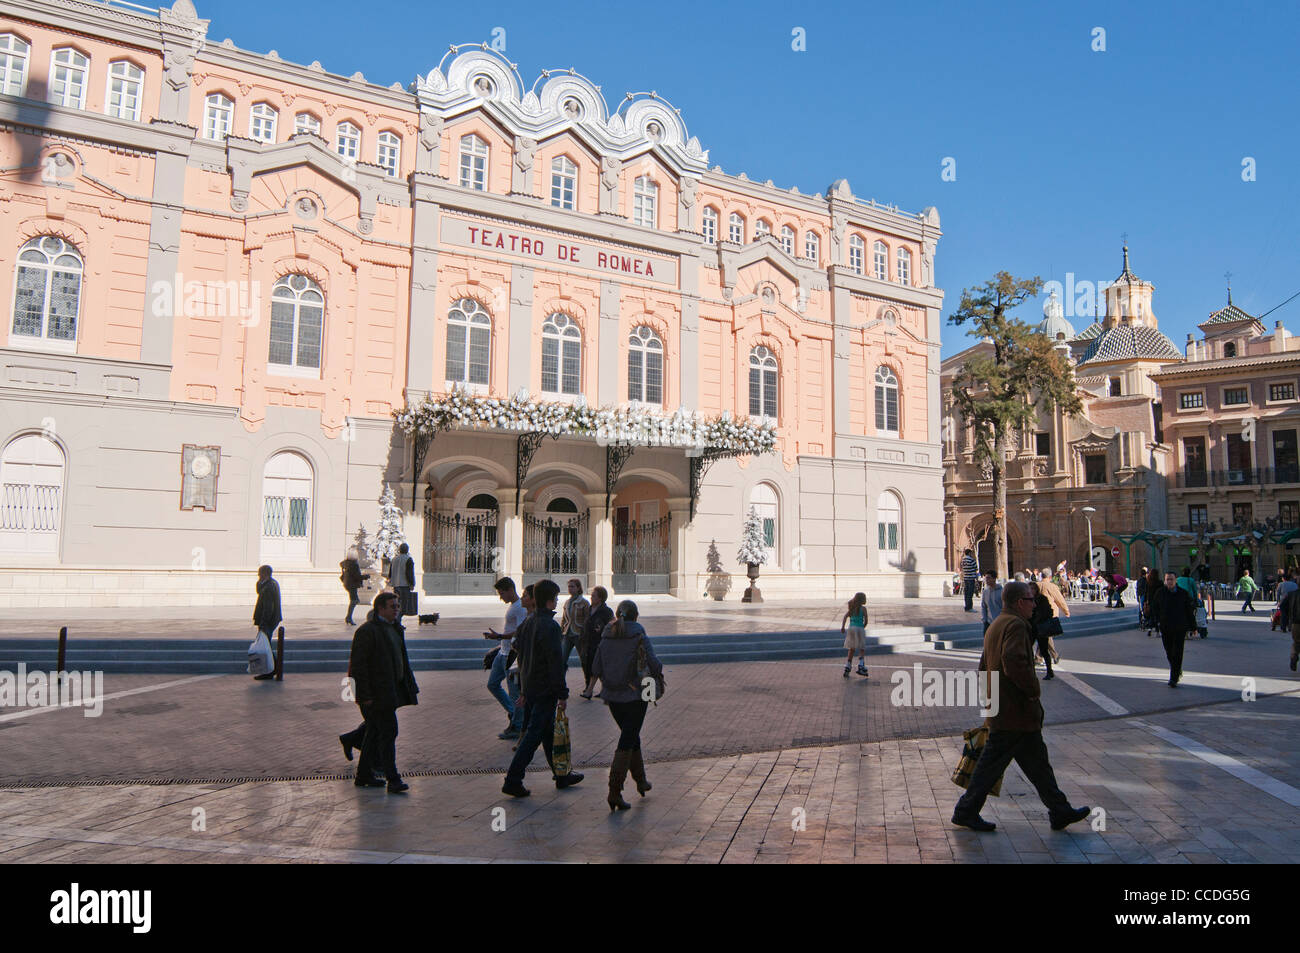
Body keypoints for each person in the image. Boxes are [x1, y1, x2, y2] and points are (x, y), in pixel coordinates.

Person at [951, 581, 1090, 833]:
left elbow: (983, 666)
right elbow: (1013, 662)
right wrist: (1033, 691)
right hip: (1015, 712)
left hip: (1006, 710)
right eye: (1030, 600)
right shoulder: (1015, 625)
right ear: (1018, 603)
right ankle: (965, 811)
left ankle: (1059, 810)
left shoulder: (996, 624)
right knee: (991, 766)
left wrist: (989, 701)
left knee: (1038, 766)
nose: (1034, 604)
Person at [502, 579, 584, 797]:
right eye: (556, 598)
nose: (557, 601)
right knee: (534, 735)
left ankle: (561, 775)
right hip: (544, 688)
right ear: (549, 601)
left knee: (547, 734)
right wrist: (562, 693)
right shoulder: (549, 626)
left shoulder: (528, 623)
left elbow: (518, 649)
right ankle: (513, 779)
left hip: (530, 686)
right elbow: (555, 662)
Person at [592, 599, 665, 810]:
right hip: (635, 694)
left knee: (630, 735)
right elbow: (653, 662)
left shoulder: (606, 635)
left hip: (612, 696)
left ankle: (641, 780)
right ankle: (614, 791)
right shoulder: (638, 634)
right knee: (627, 739)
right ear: (636, 616)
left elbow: (596, 666)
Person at [347, 591, 418, 792]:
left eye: (398, 606)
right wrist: (364, 696)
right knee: (388, 732)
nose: (396, 610)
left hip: (390, 690)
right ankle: (392, 778)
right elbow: (358, 667)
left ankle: (363, 775)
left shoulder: (394, 628)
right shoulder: (368, 631)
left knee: (374, 732)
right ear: (380, 609)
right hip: (376, 694)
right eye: (392, 606)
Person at [484, 577, 528, 740]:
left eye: (502, 593)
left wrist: (500, 636)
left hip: (511, 655)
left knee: (514, 692)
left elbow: (520, 631)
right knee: (493, 684)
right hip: (503, 652)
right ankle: (513, 713)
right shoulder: (513, 607)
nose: (500, 597)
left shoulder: (520, 608)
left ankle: (517, 725)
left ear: (510, 590)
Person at [1150, 571, 1196, 687]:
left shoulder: (1183, 594)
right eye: (1167, 579)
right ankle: (1176, 669)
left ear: (1176, 580)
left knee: (1177, 652)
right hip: (1165, 627)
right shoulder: (1160, 593)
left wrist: (1193, 627)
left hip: (1180, 627)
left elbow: (1189, 611)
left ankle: (1173, 677)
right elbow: (1155, 608)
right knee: (1169, 652)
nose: (1169, 581)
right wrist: (1156, 622)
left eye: (1171, 579)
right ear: (1165, 581)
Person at [580, 586, 613, 699]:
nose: (591, 597)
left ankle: (589, 691)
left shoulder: (606, 611)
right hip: (589, 642)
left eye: (594, 595)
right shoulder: (589, 609)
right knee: (591, 665)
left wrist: (602, 629)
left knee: (596, 666)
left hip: (600, 642)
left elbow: (612, 624)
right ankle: (603, 689)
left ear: (600, 598)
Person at [252, 564, 281, 681]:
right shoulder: (270, 584)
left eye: (260, 574)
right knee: (266, 645)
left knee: (265, 646)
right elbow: (258, 591)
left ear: (265, 574)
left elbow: (268, 607)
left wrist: (263, 623)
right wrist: (260, 582)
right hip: (270, 620)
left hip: (267, 621)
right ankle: (273, 669)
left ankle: (271, 670)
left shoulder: (269, 587)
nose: (259, 576)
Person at [1026, 580, 1057, 680]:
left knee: (1044, 650)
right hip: (1031, 628)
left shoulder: (1042, 599)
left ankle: (1049, 671)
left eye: (1033, 589)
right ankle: (1030, 670)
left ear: (1036, 590)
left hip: (1041, 627)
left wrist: (1041, 619)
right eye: (1029, 589)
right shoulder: (1027, 600)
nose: (1031, 591)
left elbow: (1049, 611)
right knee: (1028, 648)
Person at [559, 578, 591, 668]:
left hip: (579, 635)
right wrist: (561, 632)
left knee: (584, 659)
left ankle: (588, 679)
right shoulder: (567, 602)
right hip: (567, 634)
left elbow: (587, 619)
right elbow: (564, 619)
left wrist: (584, 633)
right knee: (562, 659)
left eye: (572, 586)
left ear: (578, 588)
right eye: (569, 586)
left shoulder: (584, 602)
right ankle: (560, 680)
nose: (570, 589)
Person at [840, 592, 869, 677]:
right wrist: (863, 626)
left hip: (851, 629)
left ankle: (848, 665)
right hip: (860, 628)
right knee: (861, 648)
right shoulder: (863, 609)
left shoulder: (852, 608)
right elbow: (866, 620)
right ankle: (861, 665)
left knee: (851, 648)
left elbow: (845, 617)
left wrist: (843, 627)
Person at [388, 543, 416, 617]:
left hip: (396, 585)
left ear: (399, 550)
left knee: (397, 603)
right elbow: (409, 573)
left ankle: (397, 620)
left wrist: (390, 580)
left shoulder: (394, 559)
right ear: (407, 550)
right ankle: (398, 620)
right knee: (404, 605)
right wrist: (412, 584)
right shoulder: (408, 559)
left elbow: (390, 572)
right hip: (405, 585)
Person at [340, 550, 365, 625]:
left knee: (354, 600)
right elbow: (356, 576)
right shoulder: (354, 565)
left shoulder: (345, 564)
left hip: (347, 583)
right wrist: (365, 577)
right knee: (354, 600)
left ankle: (349, 617)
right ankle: (349, 617)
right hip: (352, 584)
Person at [980, 571, 1002, 636]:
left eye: (989, 578)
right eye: (986, 578)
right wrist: (984, 619)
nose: (987, 580)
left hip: (999, 621)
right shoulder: (985, 592)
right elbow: (984, 606)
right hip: (988, 622)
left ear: (994, 579)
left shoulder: (1002, 591)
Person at [1275, 568, 1297, 633]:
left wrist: (1278, 601)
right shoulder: (1294, 584)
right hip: (1292, 601)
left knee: (1283, 615)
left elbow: (1278, 593)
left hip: (1283, 601)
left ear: (1283, 579)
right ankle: (1290, 627)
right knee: (1291, 615)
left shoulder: (1281, 584)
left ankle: (1283, 628)